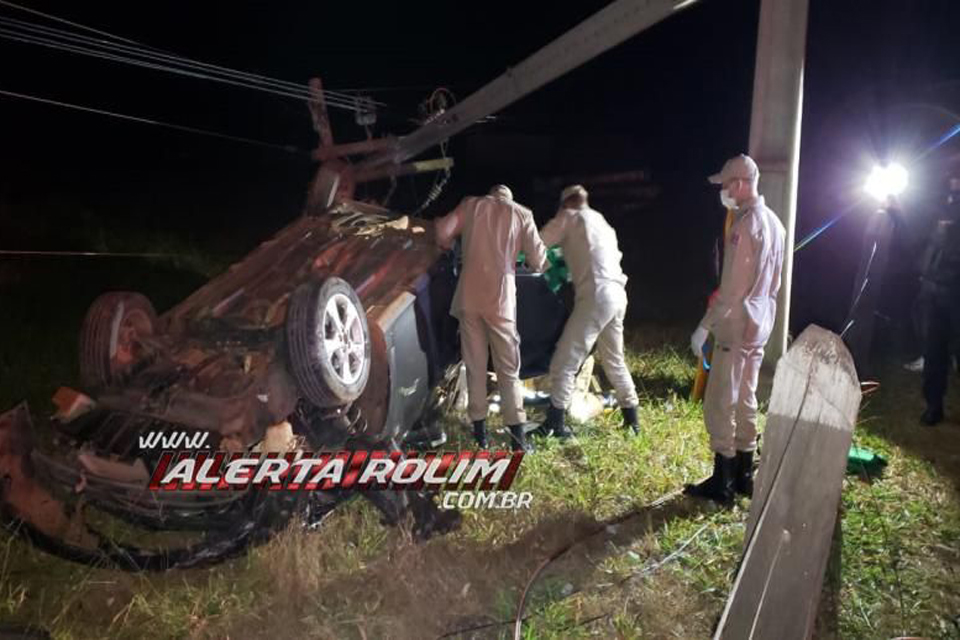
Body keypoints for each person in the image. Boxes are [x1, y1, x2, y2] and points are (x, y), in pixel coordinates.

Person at [686, 154, 785, 505]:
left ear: (740, 184)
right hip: (761, 320)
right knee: (747, 397)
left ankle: (723, 480)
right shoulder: (776, 223)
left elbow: (730, 289)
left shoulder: (744, 227)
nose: (724, 192)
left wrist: (704, 326)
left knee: (720, 401)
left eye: (726, 185)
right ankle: (745, 473)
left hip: (737, 322)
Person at [435, 185, 548, 451]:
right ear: (509, 197)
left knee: (474, 365)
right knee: (508, 368)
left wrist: (448, 242)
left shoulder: (470, 204)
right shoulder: (522, 214)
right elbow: (539, 260)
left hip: (468, 297)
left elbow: (442, 232)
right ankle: (518, 439)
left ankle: (480, 435)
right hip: (500, 300)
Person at [537, 185, 640, 438]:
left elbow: (537, 243)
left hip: (596, 296)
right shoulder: (601, 222)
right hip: (617, 294)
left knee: (565, 359)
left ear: (565, 204)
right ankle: (633, 421)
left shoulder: (569, 217)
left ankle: (556, 424)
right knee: (614, 359)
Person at [919, 178, 960, 426]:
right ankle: (934, 405)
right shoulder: (939, 200)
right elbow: (924, 241)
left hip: (955, 290)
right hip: (934, 291)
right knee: (934, 351)